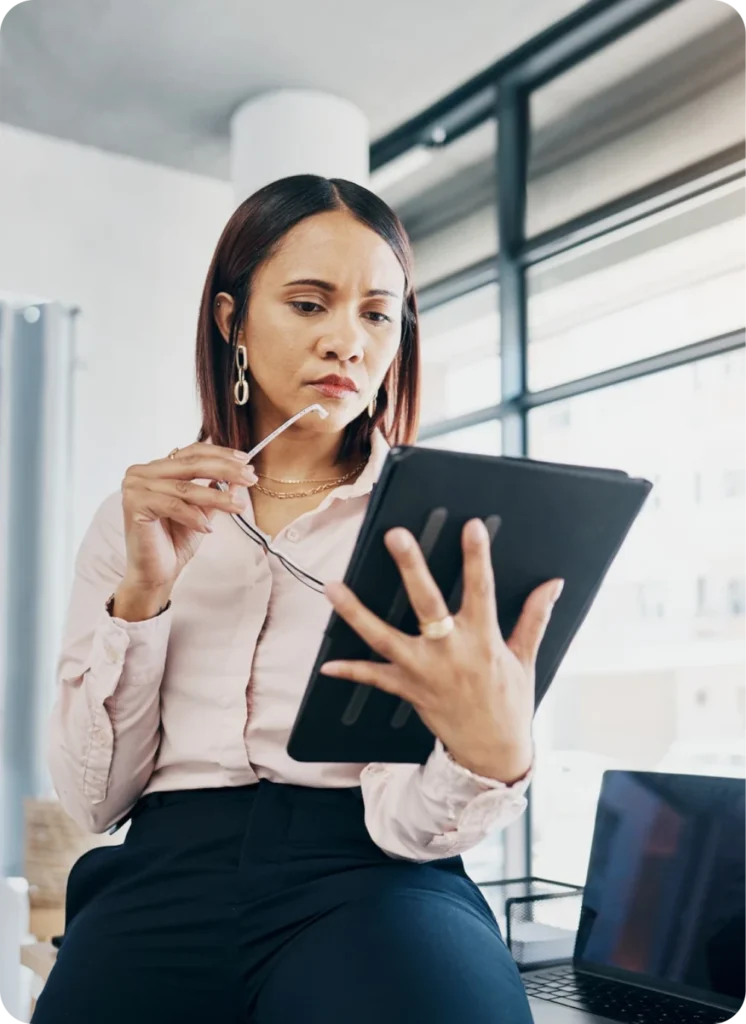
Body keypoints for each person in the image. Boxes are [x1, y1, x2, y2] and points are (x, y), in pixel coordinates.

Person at [35, 175, 563, 1024]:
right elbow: (95, 801)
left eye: (377, 315)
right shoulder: (136, 519)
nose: (346, 341)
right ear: (231, 320)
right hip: (164, 868)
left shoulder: (442, 530)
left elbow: (411, 826)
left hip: (374, 872)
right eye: (310, 304)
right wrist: (144, 595)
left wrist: (488, 755)